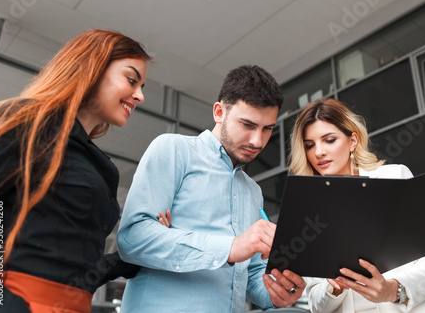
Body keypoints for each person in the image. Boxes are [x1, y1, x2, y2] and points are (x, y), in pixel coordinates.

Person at [117, 65, 306, 312]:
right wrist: (230, 247)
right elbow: (133, 238)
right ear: (219, 112)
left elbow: (250, 275)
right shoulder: (173, 150)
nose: (257, 141)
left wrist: (279, 292)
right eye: (247, 124)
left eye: (267, 128)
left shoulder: (253, 192)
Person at [0, 29, 151, 312]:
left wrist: (128, 258)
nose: (139, 96)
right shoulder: (24, 121)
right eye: (131, 79)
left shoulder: (97, 164)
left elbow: (71, 265)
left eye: (142, 87)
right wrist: (2, 301)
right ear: (93, 68)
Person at [288, 98, 425, 313]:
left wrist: (394, 290)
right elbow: (315, 303)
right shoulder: (310, 213)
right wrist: (332, 287)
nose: (318, 152)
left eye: (329, 140)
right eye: (310, 145)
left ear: (352, 141)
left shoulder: (395, 178)